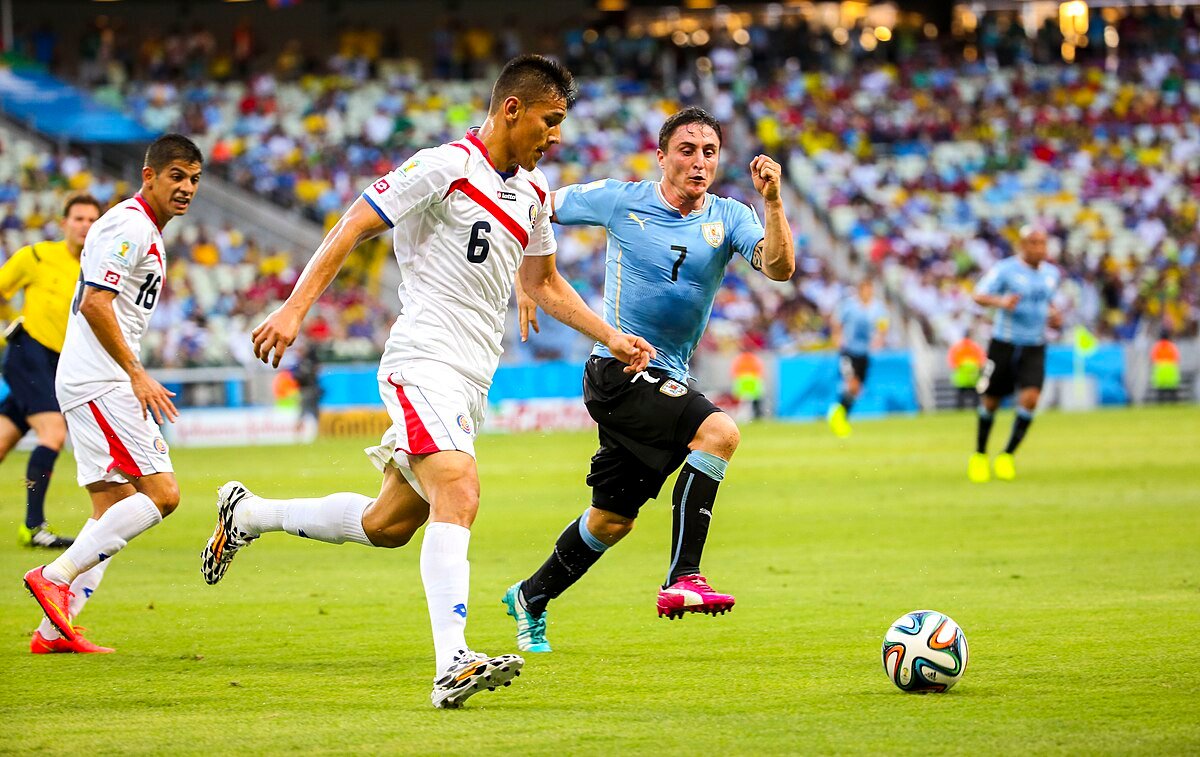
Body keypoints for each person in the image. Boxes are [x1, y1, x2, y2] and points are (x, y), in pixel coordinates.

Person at [199, 55, 653, 709]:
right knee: (459, 486)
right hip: (423, 360)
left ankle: (247, 513)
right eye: (549, 120)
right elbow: (354, 223)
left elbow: (543, 282)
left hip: (470, 377)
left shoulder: (532, 193)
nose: (555, 136)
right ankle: (452, 662)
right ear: (512, 109)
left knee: (387, 524)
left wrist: (609, 335)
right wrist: (295, 308)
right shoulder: (444, 167)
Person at [502, 106, 794, 653]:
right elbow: (533, 205)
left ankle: (530, 596)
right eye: (687, 150)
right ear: (661, 157)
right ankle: (685, 576)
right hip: (617, 369)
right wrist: (527, 277)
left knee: (612, 521)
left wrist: (774, 203)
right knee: (719, 432)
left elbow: (778, 268)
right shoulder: (620, 199)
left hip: (668, 373)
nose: (699, 161)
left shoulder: (731, 216)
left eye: (709, 152)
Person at [22, 134, 203, 654]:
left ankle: (54, 631)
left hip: (90, 377)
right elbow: (96, 304)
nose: (186, 188)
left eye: (194, 179)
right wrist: (136, 373)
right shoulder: (129, 225)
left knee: (113, 509)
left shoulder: (143, 228)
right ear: (149, 175)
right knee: (162, 495)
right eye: (176, 176)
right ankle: (54, 575)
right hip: (102, 380)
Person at [0, 193, 101, 548]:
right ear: (64, 223)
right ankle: (33, 527)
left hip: (62, 364)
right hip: (28, 352)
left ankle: (32, 527)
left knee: (3, 441)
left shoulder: (98, 269)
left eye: (92, 220)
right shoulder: (37, 255)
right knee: (54, 433)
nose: (85, 225)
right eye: (79, 218)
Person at [969, 225, 1061, 482]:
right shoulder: (1005, 269)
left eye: (1043, 243)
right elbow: (978, 295)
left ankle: (1007, 455)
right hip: (1005, 343)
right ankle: (980, 454)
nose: (1039, 248)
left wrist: (1054, 316)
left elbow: (1048, 301)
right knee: (991, 401)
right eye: (1034, 243)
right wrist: (1001, 302)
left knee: (1031, 399)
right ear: (1022, 245)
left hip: (1035, 344)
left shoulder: (1052, 274)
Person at [826, 278, 888, 437]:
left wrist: (880, 337)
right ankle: (837, 416)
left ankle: (839, 414)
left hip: (864, 353)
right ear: (860, 291)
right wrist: (837, 336)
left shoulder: (877, 307)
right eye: (865, 290)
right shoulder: (849, 306)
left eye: (870, 290)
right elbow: (837, 321)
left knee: (857, 389)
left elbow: (883, 325)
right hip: (848, 352)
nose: (868, 293)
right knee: (852, 384)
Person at [948, 329, 987, 409]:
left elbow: (951, 359)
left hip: (961, 375)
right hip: (973, 375)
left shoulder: (957, 346)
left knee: (960, 394)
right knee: (976, 394)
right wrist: (980, 367)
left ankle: (960, 408)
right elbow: (982, 358)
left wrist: (955, 367)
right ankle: (976, 407)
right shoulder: (975, 346)